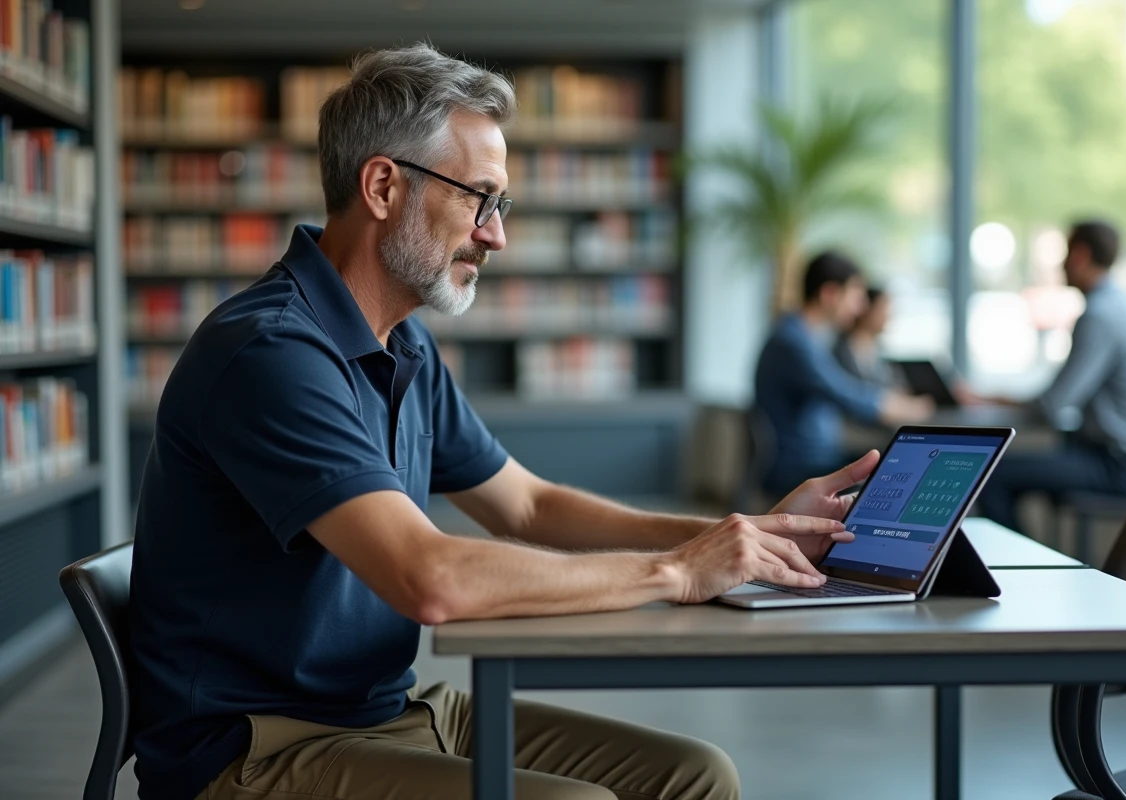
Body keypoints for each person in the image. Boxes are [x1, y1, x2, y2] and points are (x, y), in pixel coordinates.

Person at [127, 44, 879, 800]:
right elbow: (432, 580)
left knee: (696, 776)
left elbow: (528, 504)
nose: (496, 235)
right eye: (477, 198)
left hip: (391, 709)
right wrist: (678, 572)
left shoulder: (403, 342)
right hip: (255, 750)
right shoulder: (272, 353)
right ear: (384, 186)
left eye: (501, 205)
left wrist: (738, 536)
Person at [975, 220, 1126, 535]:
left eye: (1066, 253)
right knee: (1005, 472)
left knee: (988, 475)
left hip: (1116, 466)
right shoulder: (1122, 307)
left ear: (1080, 255)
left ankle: (1022, 573)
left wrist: (988, 398)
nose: (1062, 263)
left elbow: (1052, 406)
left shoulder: (1100, 316)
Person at [754, 251, 933, 498]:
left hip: (819, 459)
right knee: (904, 472)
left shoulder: (805, 336)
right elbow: (844, 394)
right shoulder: (793, 342)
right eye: (855, 296)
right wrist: (902, 406)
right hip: (801, 469)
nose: (860, 307)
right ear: (829, 294)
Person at [834, 286, 896, 388]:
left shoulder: (878, 348)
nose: (887, 315)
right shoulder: (842, 347)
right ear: (866, 308)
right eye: (882, 309)